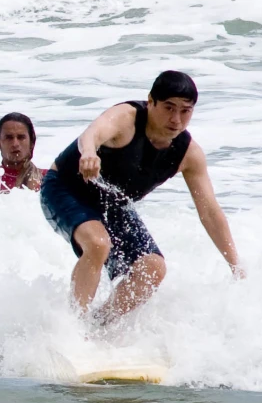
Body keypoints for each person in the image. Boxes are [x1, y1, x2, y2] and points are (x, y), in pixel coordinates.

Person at [40, 70, 243, 326]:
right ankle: (70, 328)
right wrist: (89, 153)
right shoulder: (126, 118)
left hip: (112, 204)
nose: (176, 119)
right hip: (66, 188)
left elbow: (210, 212)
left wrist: (235, 265)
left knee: (153, 269)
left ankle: (96, 327)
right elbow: (90, 134)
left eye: (185, 111)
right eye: (169, 108)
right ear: (151, 101)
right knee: (98, 244)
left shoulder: (189, 154)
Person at [0, 112, 46, 192]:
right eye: (9, 138)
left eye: (21, 137)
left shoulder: (52, 180)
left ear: (32, 142)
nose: (15, 144)